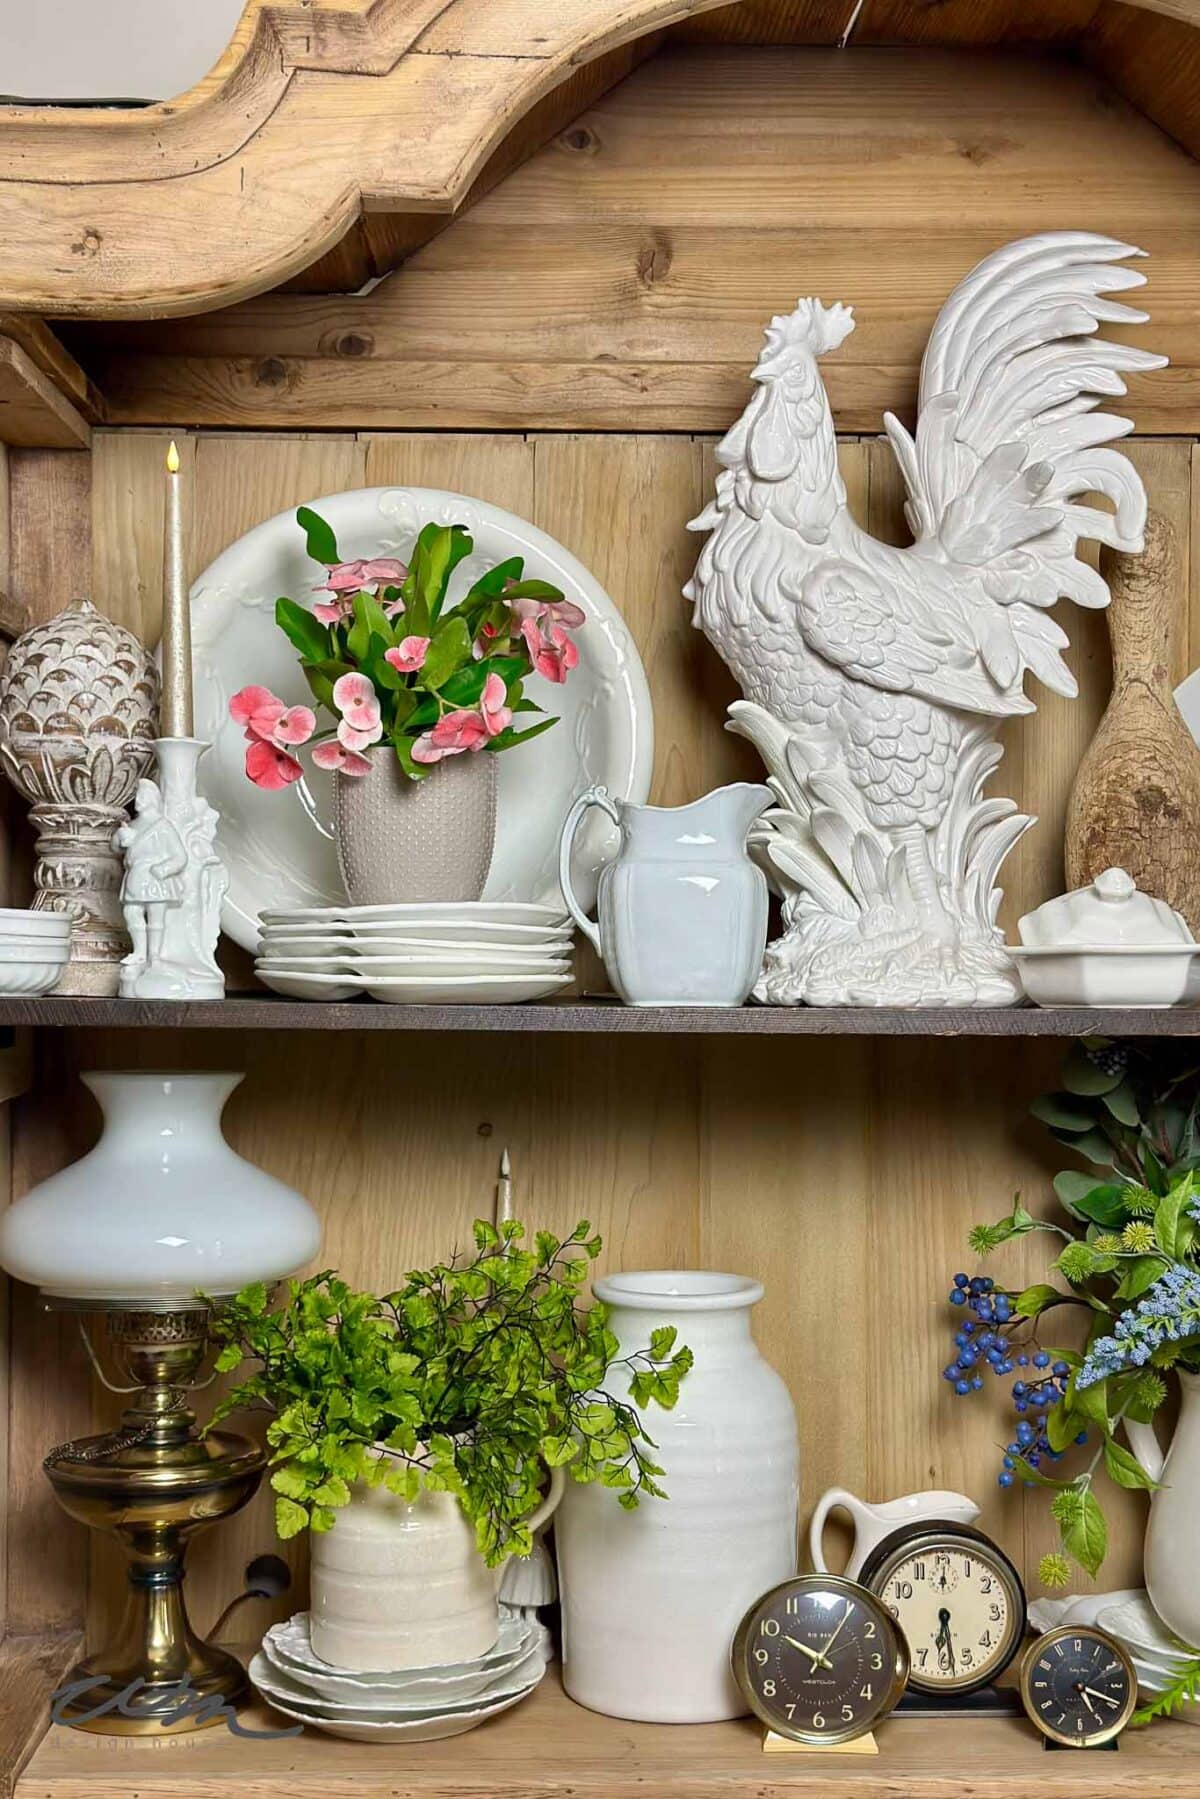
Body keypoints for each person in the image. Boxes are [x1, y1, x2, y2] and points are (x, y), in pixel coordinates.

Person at [114, 779, 188, 972]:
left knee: (156, 917)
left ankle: (154, 955)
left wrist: (162, 870)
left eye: (142, 795)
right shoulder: (132, 825)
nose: (137, 799)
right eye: (137, 795)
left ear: (152, 799)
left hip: (155, 879)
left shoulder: (163, 825)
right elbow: (115, 847)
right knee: (131, 912)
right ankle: (139, 953)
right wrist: (121, 840)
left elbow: (180, 857)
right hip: (134, 877)